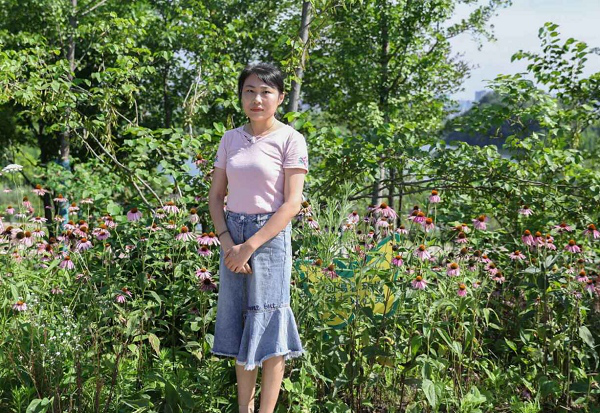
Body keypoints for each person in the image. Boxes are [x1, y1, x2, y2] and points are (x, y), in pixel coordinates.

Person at [208, 62, 308, 413]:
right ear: (241, 96)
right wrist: (228, 244)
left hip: (269, 240)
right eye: (249, 91)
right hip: (232, 237)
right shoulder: (230, 139)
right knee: (240, 324)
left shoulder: (290, 139)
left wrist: (249, 246)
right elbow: (215, 197)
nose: (257, 99)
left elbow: (292, 203)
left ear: (280, 97)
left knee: (269, 326)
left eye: (266, 92)